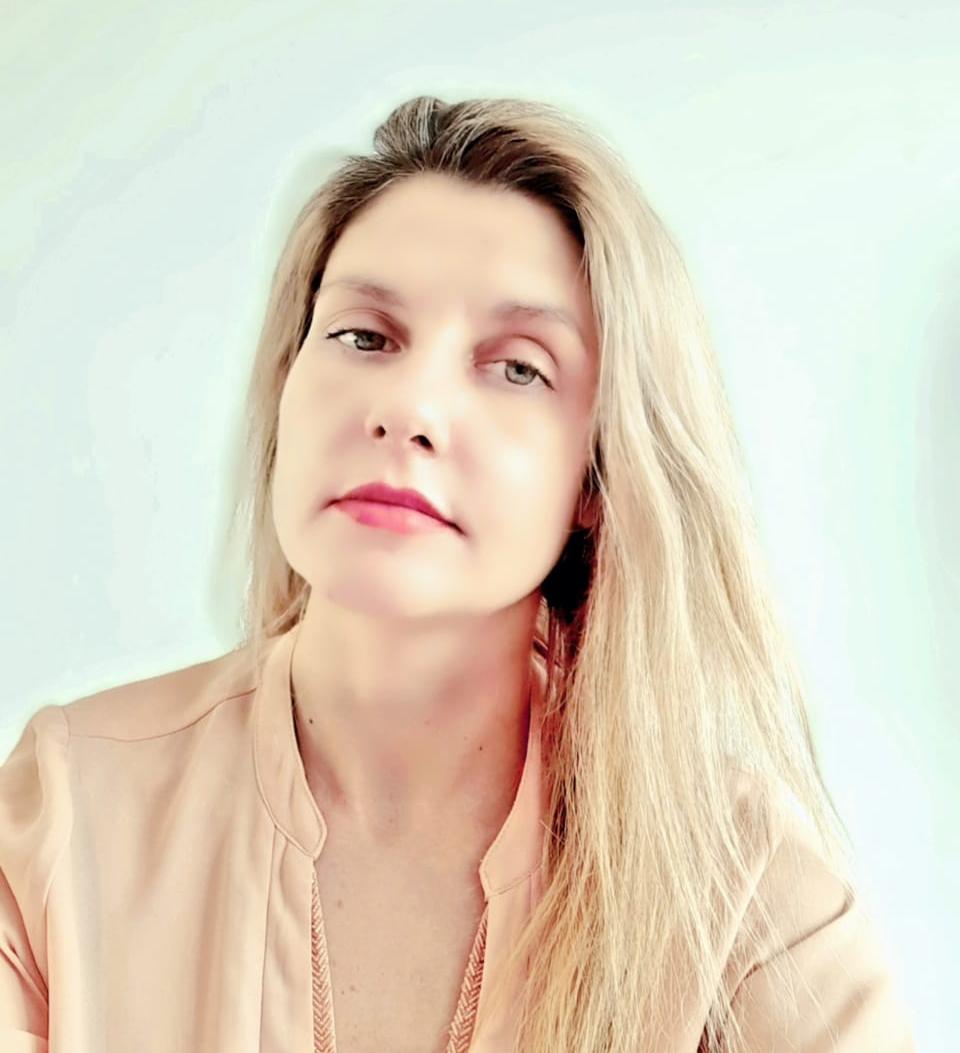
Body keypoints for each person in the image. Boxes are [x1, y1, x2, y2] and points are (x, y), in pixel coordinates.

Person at [0, 95, 916, 1053]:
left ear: (599, 475)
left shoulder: (742, 895)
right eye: (364, 336)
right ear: (286, 385)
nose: (409, 408)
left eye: (518, 367)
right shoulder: (65, 814)